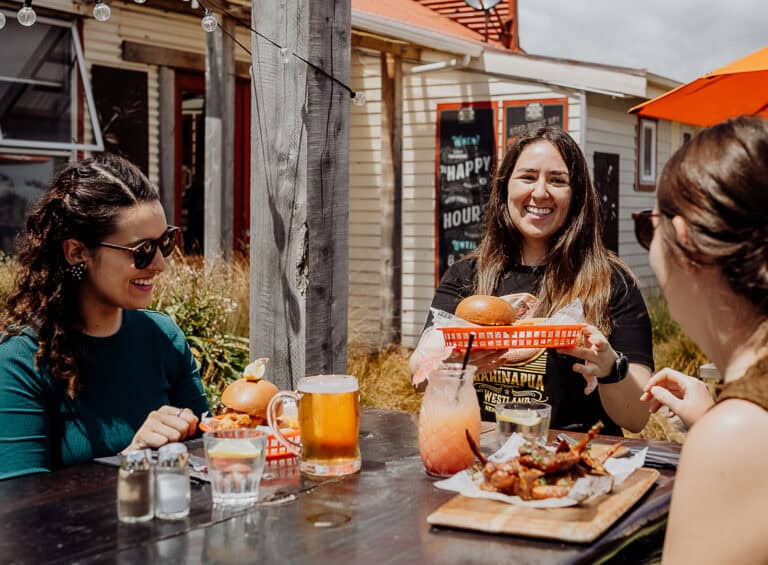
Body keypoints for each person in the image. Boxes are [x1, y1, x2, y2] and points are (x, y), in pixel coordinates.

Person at [410, 127, 654, 435]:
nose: (540, 192)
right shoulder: (465, 276)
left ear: (576, 194)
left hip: (576, 463)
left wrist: (608, 369)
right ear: (504, 188)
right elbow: (417, 375)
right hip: (482, 459)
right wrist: (446, 363)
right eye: (527, 177)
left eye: (557, 180)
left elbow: (636, 419)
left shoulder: (612, 281)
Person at [0, 154, 209, 480]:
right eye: (141, 250)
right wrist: (130, 461)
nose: (159, 264)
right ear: (77, 252)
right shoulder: (21, 360)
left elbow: (205, 458)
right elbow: (19, 512)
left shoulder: (163, 337)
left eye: (164, 243)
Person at [636, 115, 768, 563]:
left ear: (683, 240)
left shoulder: (735, 435)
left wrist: (721, 430)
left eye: (646, 227)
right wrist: (712, 416)